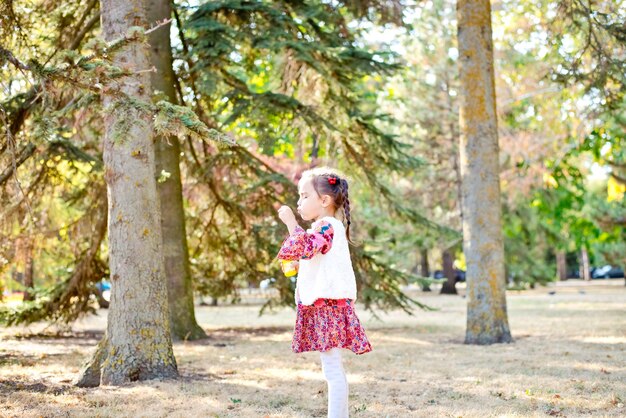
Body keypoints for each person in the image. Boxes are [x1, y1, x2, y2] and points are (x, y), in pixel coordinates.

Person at [276, 167, 372, 418]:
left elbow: (309, 247)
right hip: (326, 306)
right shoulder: (325, 227)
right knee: (332, 368)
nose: (299, 201)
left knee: (331, 369)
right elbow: (314, 254)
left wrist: (290, 223)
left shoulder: (327, 226)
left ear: (324, 200)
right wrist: (301, 264)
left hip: (328, 307)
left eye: (304, 196)